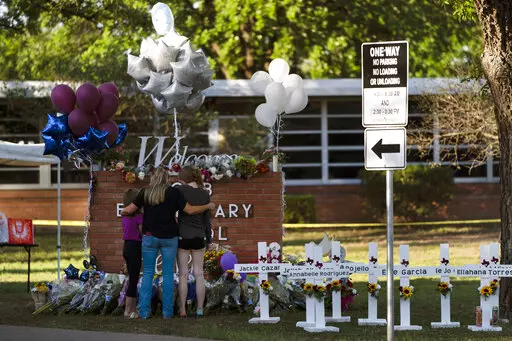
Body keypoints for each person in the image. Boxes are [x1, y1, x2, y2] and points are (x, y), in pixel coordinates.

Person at [121, 167, 214, 319]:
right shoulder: (173, 192)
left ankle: (144, 312)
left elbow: (127, 210)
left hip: (149, 237)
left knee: (148, 273)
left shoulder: (145, 192)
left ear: (152, 178)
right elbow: (190, 210)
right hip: (169, 238)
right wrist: (208, 206)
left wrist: (137, 213)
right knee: (169, 273)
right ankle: (167, 312)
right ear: (166, 179)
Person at [176, 166, 212, 317]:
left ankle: (183, 309)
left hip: (183, 236)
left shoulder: (180, 191)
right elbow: (207, 220)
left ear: (184, 178)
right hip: (199, 236)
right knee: (199, 274)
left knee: (183, 274)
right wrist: (208, 239)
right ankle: (200, 309)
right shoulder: (205, 193)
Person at [121, 188, 143, 318]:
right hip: (135, 247)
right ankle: (128, 310)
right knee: (134, 279)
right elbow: (141, 232)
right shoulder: (139, 217)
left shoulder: (124, 216)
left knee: (132, 278)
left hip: (126, 247)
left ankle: (132, 309)